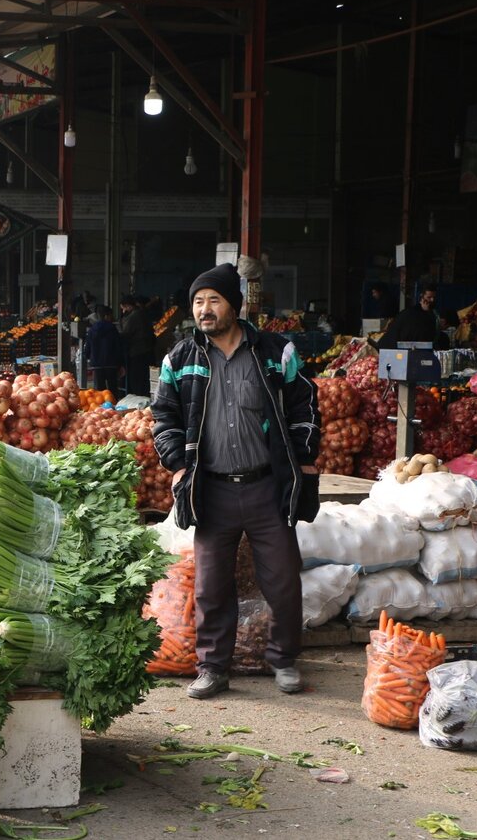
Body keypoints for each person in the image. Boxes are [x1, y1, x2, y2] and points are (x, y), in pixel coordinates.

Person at [150, 262, 320, 700]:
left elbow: (305, 403)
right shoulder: (180, 358)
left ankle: (283, 660)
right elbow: (163, 415)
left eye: (214, 300)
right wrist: (178, 465)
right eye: (198, 302)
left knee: (283, 579)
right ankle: (212, 667)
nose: (205, 310)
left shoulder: (274, 351)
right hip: (212, 488)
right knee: (210, 585)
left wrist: (302, 458)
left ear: (234, 305)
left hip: (267, 485)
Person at [374, 285, 447, 351]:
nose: (432, 300)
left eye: (434, 297)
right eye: (429, 297)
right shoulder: (413, 314)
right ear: (422, 297)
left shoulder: (429, 313)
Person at [84, 306, 123, 394]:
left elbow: (87, 347)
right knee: (113, 388)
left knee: (100, 390)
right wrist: (120, 363)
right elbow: (118, 347)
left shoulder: (92, 329)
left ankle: (102, 406)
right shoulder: (112, 329)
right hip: (111, 363)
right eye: (111, 315)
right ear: (106, 316)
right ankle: (113, 405)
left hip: (97, 364)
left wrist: (88, 357)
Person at [119, 295, 152, 397]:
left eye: (123, 308)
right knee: (143, 378)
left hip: (137, 351)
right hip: (145, 350)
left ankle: (139, 398)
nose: (123, 311)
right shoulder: (141, 313)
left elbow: (125, 333)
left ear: (128, 306)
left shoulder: (134, 316)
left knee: (137, 378)